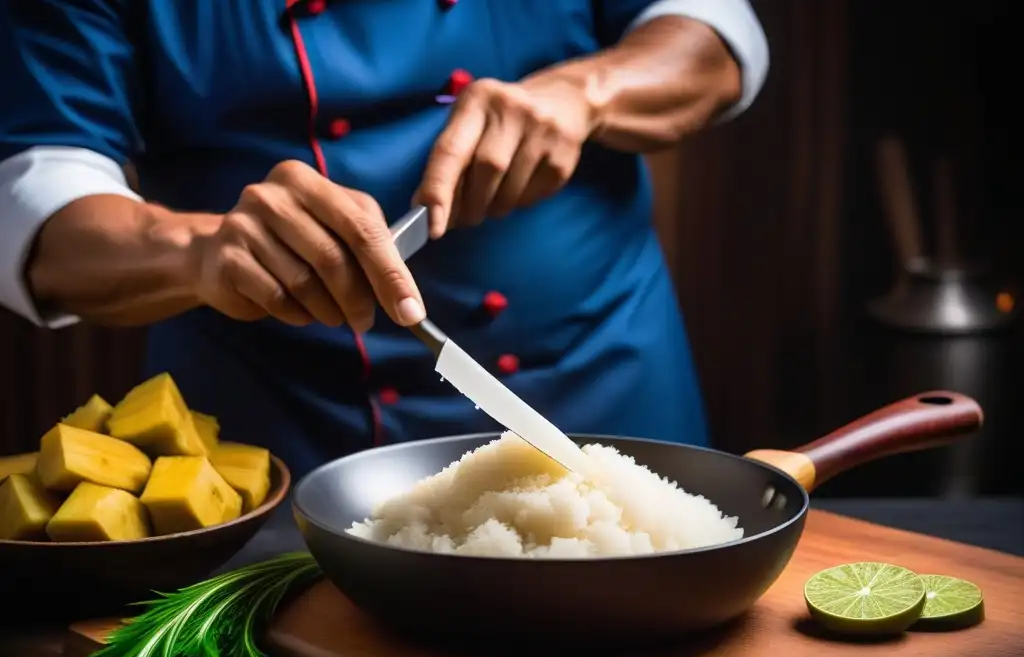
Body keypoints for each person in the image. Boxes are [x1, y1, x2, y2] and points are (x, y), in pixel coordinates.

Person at [0, 1, 768, 480]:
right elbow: (39, 203)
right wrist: (200, 251)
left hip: (605, 387)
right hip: (285, 438)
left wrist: (587, 90)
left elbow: (710, 33)